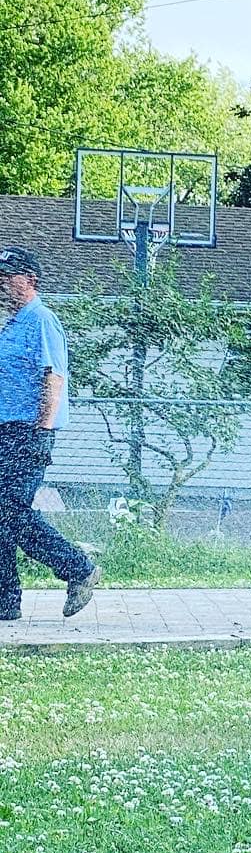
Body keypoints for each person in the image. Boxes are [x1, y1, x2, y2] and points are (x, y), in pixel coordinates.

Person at [0, 245, 101, 622]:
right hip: (6, 430)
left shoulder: (41, 319)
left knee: (10, 513)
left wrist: (40, 430)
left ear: (31, 280)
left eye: (9, 277)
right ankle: (5, 600)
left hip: (28, 432)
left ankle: (78, 568)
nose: (3, 284)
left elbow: (53, 376)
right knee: (2, 514)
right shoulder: (12, 325)